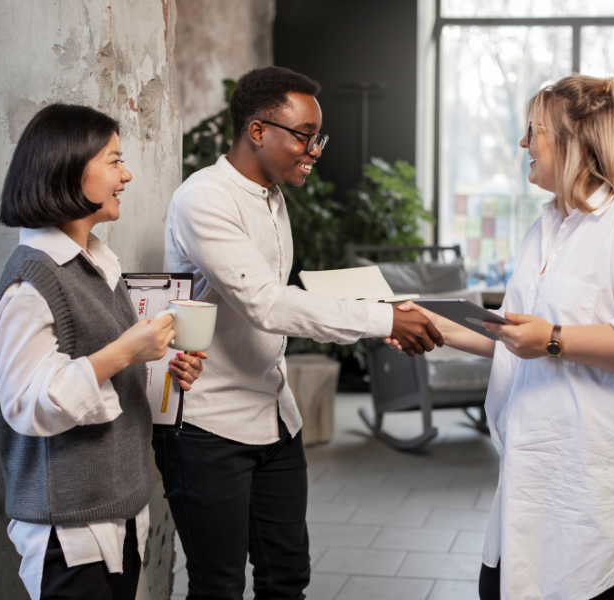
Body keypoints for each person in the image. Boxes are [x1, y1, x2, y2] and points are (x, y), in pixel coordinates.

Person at [388, 75, 614, 600]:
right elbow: (516, 333)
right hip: (542, 479)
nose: (522, 143)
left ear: (576, 141)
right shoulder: (546, 227)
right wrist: (425, 322)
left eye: (531, 131)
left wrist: (554, 339)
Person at [158, 65, 443, 600]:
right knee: (217, 585)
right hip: (207, 427)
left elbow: (279, 293)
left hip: (274, 416)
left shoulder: (272, 197)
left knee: (287, 578)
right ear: (258, 131)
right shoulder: (205, 199)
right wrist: (383, 320)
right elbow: (266, 303)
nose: (314, 150)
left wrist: (377, 305)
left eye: (319, 137)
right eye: (305, 136)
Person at [0, 103, 204, 600]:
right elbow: (26, 402)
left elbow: (101, 372)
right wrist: (126, 351)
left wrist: (163, 366)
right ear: (67, 167)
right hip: (69, 533)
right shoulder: (32, 279)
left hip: (117, 511)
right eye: (113, 160)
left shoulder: (97, 263)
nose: (126, 175)